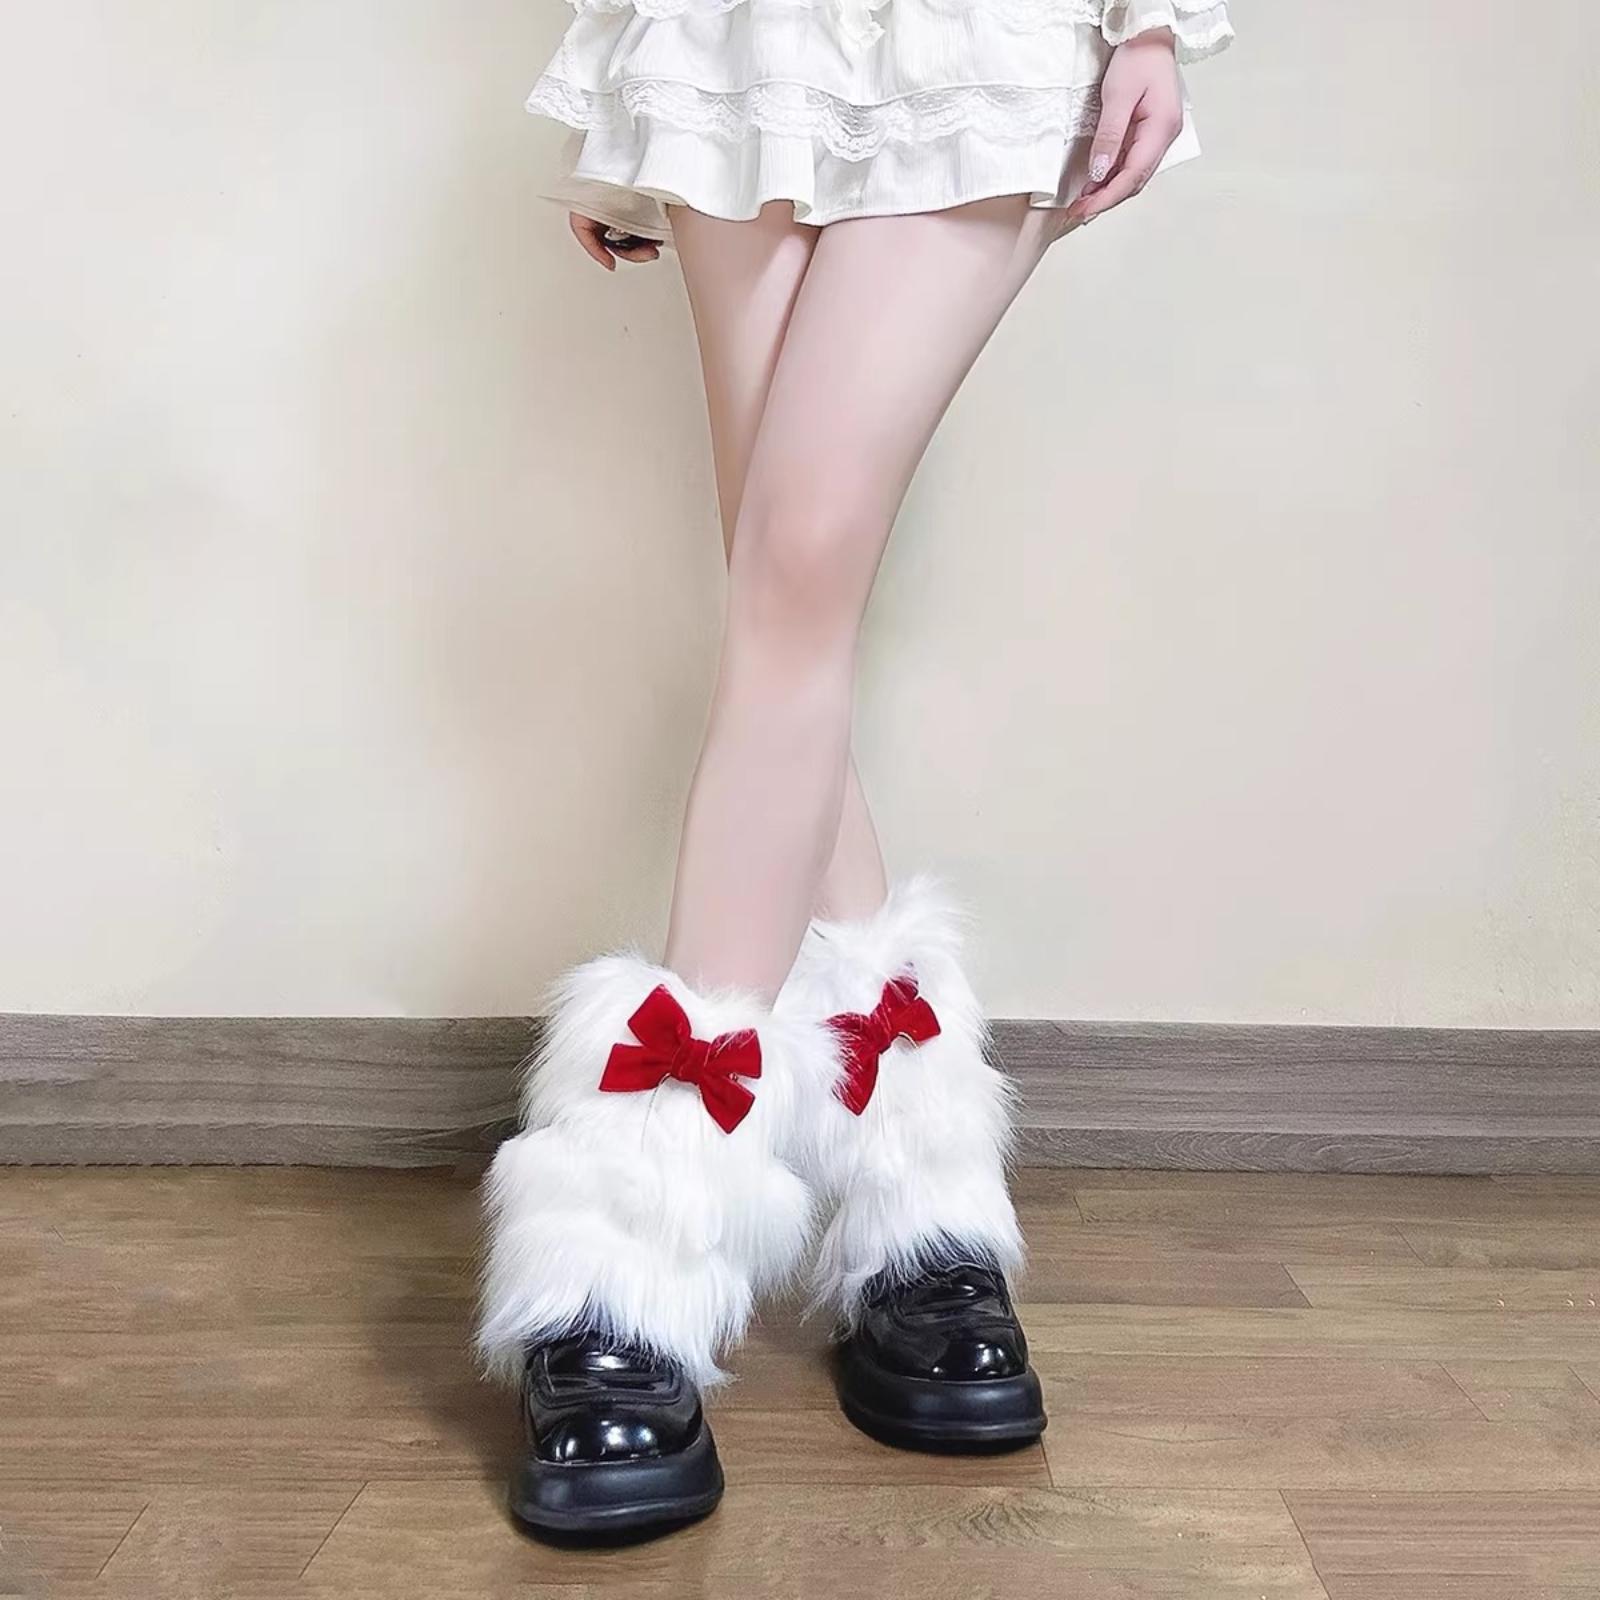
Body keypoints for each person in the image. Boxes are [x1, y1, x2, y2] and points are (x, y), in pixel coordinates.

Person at [480, 0, 1234, 1542]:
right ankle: (912, 1196)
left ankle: (631, 1249)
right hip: (733, 33)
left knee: (798, 567)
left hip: (979, 31)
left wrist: (1151, 23)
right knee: (780, 579)